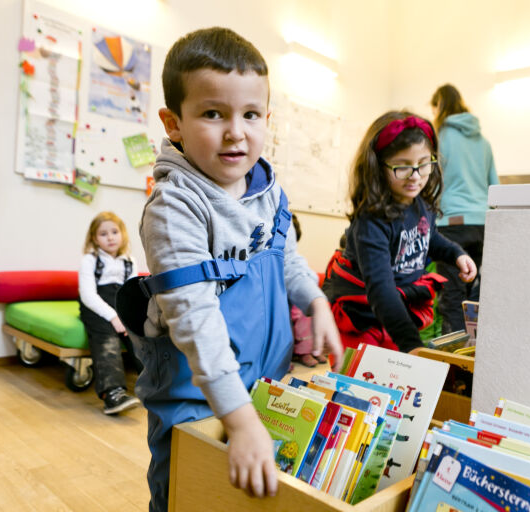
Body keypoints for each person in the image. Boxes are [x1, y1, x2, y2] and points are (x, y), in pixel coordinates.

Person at [114, 27, 343, 511]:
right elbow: (194, 318)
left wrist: (316, 301)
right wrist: (238, 420)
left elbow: (286, 259)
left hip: (262, 385)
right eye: (213, 113)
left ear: (267, 120)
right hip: (195, 393)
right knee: (187, 492)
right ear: (174, 123)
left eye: (250, 114)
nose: (236, 131)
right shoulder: (174, 206)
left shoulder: (270, 193)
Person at [321, 111, 477, 353]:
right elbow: (381, 290)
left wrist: (456, 254)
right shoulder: (371, 221)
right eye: (402, 167)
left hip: (396, 307)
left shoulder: (421, 204)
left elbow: (429, 238)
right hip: (361, 314)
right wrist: (411, 344)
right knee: (359, 372)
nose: (415, 176)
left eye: (423, 164)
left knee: (397, 371)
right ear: (378, 167)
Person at [430, 84, 499, 334]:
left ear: (439, 105)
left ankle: (452, 355)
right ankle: (475, 351)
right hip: (483, 224)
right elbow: (495, 186)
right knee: (475, 296)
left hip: (452, 223)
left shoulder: (439, 136)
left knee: (452, 296)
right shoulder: (484, 142)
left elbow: (432, 181)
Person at [78, 211, 141, 415]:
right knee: (107, 339)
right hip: (96, 307)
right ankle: (112, 393)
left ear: (123, 234)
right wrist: (113, 317)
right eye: (103, 234)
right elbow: (88, 295)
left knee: (141, 336)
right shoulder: (90, 260)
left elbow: (131, 292)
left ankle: (156, 384)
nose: (110, 237)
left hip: (121, 305)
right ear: (94, 238)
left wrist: (127, 318)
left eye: (114, 232)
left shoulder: (129, 261)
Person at [289, 213, 328, 368]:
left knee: (307, 310)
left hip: (290, 298)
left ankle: (308, 350)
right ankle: (291, 354)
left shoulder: (294, 259)